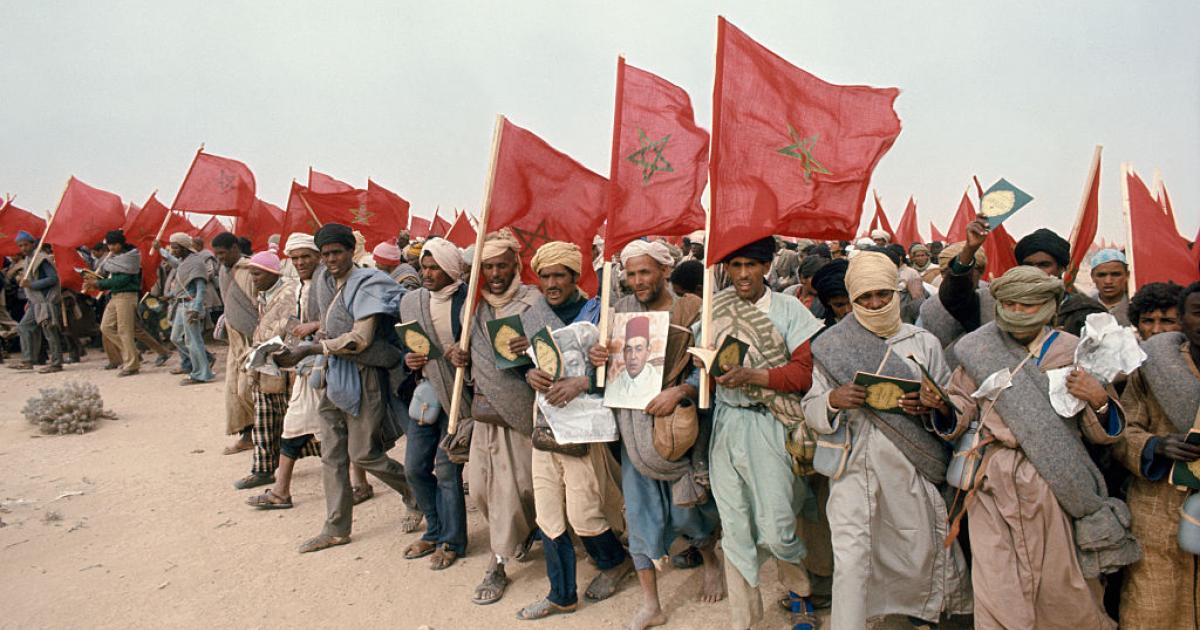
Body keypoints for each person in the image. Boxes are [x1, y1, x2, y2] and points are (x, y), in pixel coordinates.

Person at [934, 266, 1140, 628]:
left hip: (1052, 482)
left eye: (1028, 304)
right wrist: (939, 405)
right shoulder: (978, 348)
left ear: (1050, 305)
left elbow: (1099, 432)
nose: (1017, 310)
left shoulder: (1074, 351)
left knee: (1062, 587)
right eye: (1010, 302)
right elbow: (960, 407)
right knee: (996, 584)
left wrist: (1098, 400)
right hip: (991, 483)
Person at [804, 251, 971, 629]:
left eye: (883, 294)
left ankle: (916, 617)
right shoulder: (832, 344)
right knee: (851, 558)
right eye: (865, 297)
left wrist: (932, 406)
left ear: (896, 293)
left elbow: (951, 407)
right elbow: (811, 407)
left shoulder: (923, 342)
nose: (875, 304)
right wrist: (832, 400)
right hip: (851, 465)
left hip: (910, 464)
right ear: (852, 299)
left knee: (915, 550)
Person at [588, 239, 724, 630]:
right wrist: (599, 360)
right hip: (634, 432)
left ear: (665, 271)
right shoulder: (619, 313)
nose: (637, 281)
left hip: (678, 431)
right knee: (641, 514)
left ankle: (709, 558)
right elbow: (606, 379)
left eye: (644, 272)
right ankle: (651, 603)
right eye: (630, 274)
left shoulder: (693, 310)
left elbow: (709, 367)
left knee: (689, 511)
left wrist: (681, 391)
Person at [703, 236, 823, 629]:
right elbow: (695, 364)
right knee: (735, 527)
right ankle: (745, 619)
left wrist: (755, 375)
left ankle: (799, 589)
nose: (742, 274)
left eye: (750, 265)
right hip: (726, 421)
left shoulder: (789, 309)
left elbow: (805, 373)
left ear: (767, 265)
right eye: (734, 265)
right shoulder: (713, 307)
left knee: (777, 528)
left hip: (771, 420)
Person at [280, 223, 415, 554]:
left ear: (351, 252)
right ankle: (336, 527)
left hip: (364, 375)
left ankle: (416, 492)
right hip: (332, 374)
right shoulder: (324, 283)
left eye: (337, 253)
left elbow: (360, 339)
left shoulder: (367, 283)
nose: (331, 260)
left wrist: (312, 349)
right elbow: (326, 327)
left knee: (364, 454)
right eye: (325, 254)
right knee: (332, 455)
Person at [515, 241, 631, 621]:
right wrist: (527, 372)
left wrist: (582, 383)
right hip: (546, 425)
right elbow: (527, 364)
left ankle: (615, 562)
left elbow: (622, 369)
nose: (552, 282)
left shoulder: (599, 313)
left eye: (559, 275)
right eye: (545, 275)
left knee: (584, 513)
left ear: (573, 277)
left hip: (585, 428)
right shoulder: (532, 316)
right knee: (548, 511)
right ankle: (561, 594)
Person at [448, 230, 548, 606]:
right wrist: (455, 354)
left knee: (518, 487)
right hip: (485, 413)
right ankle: (512, 540)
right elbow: (468, 354)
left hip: (522, 411)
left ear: (515, 265)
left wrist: (534, 350)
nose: (495, 273)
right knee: (480, 487)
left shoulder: (532, 301)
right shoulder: (472, 306)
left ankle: (498, 562)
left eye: (502, 265)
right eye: (488, 266)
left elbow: (554, 351)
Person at [1112, 282, 1200, 629]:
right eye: (1197, 312)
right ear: (1185, 319)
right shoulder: (1149, 369)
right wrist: (1156, 445)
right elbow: (1123, 432)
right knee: (1153, 608)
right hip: (1157, 511)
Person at [398, 237, 470, 569]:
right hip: (427, 393)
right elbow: (408, 342)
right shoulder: (412, 302)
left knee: (446, 469)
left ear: (451, 269)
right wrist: (409, 359)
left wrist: (462, 357)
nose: (427, 274)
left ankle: (452, 540)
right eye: (424, 267)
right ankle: (434, 529)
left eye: (435, 268)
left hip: (459, 395)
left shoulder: (469, 301)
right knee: (414, 467)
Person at [247, 235, 325, 509]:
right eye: (296, 258)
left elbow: (341, 318)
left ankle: (359, 483)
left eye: (306, 256)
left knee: (334, 429)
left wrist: (314, 326)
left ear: (318, 256)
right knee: (298, 425)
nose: (301, 262)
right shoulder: (304, 286)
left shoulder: (325, 283)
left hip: (325, 365)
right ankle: (281, 491)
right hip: (307, 367)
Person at [940, 219, 1104, 338]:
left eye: (1044, 265)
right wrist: (970, 249)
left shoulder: (1086, 312)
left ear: (1062, 268)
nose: (1035, 272)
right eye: (1029, 265)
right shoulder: (993, 304)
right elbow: (954, 297)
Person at [234, 252, 299, 490]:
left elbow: (289, 328)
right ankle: (262, 469)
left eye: (258, 273)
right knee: (265, 418)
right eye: (252, 273)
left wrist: (266, 348)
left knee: (290, 420)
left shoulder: (289, 294)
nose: (253, 278)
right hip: (265, 364)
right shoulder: (265, 296)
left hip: (282, 363)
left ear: (273, 273)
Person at [213, 232, 259, 457]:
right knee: (234, 391)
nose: (220, 258)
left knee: (248, 389)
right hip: (235, 339)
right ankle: (247, 435)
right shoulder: (221, 272)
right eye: (217, 254)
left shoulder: (251, 270)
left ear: (234, 248)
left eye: (223, 253)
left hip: (254, 339)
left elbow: (260, 305)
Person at [89, 230, 148, 376]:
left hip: (127, 296)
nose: (111, 248)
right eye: (109, 245)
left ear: (121, 243)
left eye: (114, 244)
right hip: (115, 296)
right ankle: (132, 353)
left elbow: (122, 280)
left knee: (124, 330)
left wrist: (99, 284)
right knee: (106, 327)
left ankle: (132, 365)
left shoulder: (131, 257)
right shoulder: (114, 258)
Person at [160, 233, 215, 385]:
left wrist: (196, 308)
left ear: (184, 247)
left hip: (190, 305)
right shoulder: (184, 261)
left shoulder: (196, 262)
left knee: (193, 340)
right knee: (176, 338)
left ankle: (202, 374)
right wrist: (160, 251)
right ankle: (205, 359)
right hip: (180, 304)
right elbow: (176, 265)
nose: (173, 251)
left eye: (175, 247)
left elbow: (201, 288)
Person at [10, 231, 63, 373]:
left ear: (33, 244)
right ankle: (28, 360)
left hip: (46, 301)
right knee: (24, 327)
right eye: (20, 246)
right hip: (35, 302)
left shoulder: (41, 259)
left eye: (25, 245)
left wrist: (31, 285)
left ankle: (56, 363)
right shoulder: (28, 260)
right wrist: (30, 298)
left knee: (49, 331)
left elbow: (53, 279)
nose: (23, 248)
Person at [1088, 248, 1131, 326]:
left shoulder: (1135, 308)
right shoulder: (1084, 308)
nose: (1108, 281)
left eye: (1115, 274)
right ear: (1092, 277)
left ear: (1127, 275)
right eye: (1102, 275)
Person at [810, 258, 850, 330]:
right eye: (839, 305)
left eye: (853, 303)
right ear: (828, 303)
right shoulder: (820, 332)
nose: (848, 310)